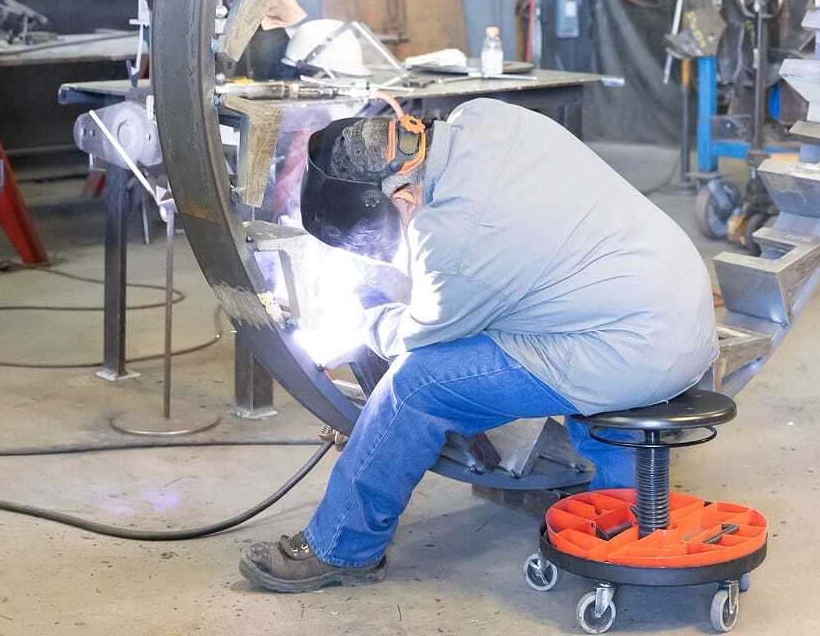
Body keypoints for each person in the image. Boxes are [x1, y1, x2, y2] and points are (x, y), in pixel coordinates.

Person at [239, 99, 719, 593]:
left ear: (403, 197)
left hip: (634, 350)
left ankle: (341, 547)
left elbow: (416, 338)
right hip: (681, 311)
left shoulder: (457, 238)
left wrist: (366, 316)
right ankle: (622, 516)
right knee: (553, 312)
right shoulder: (486, 117)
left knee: (415, 387)